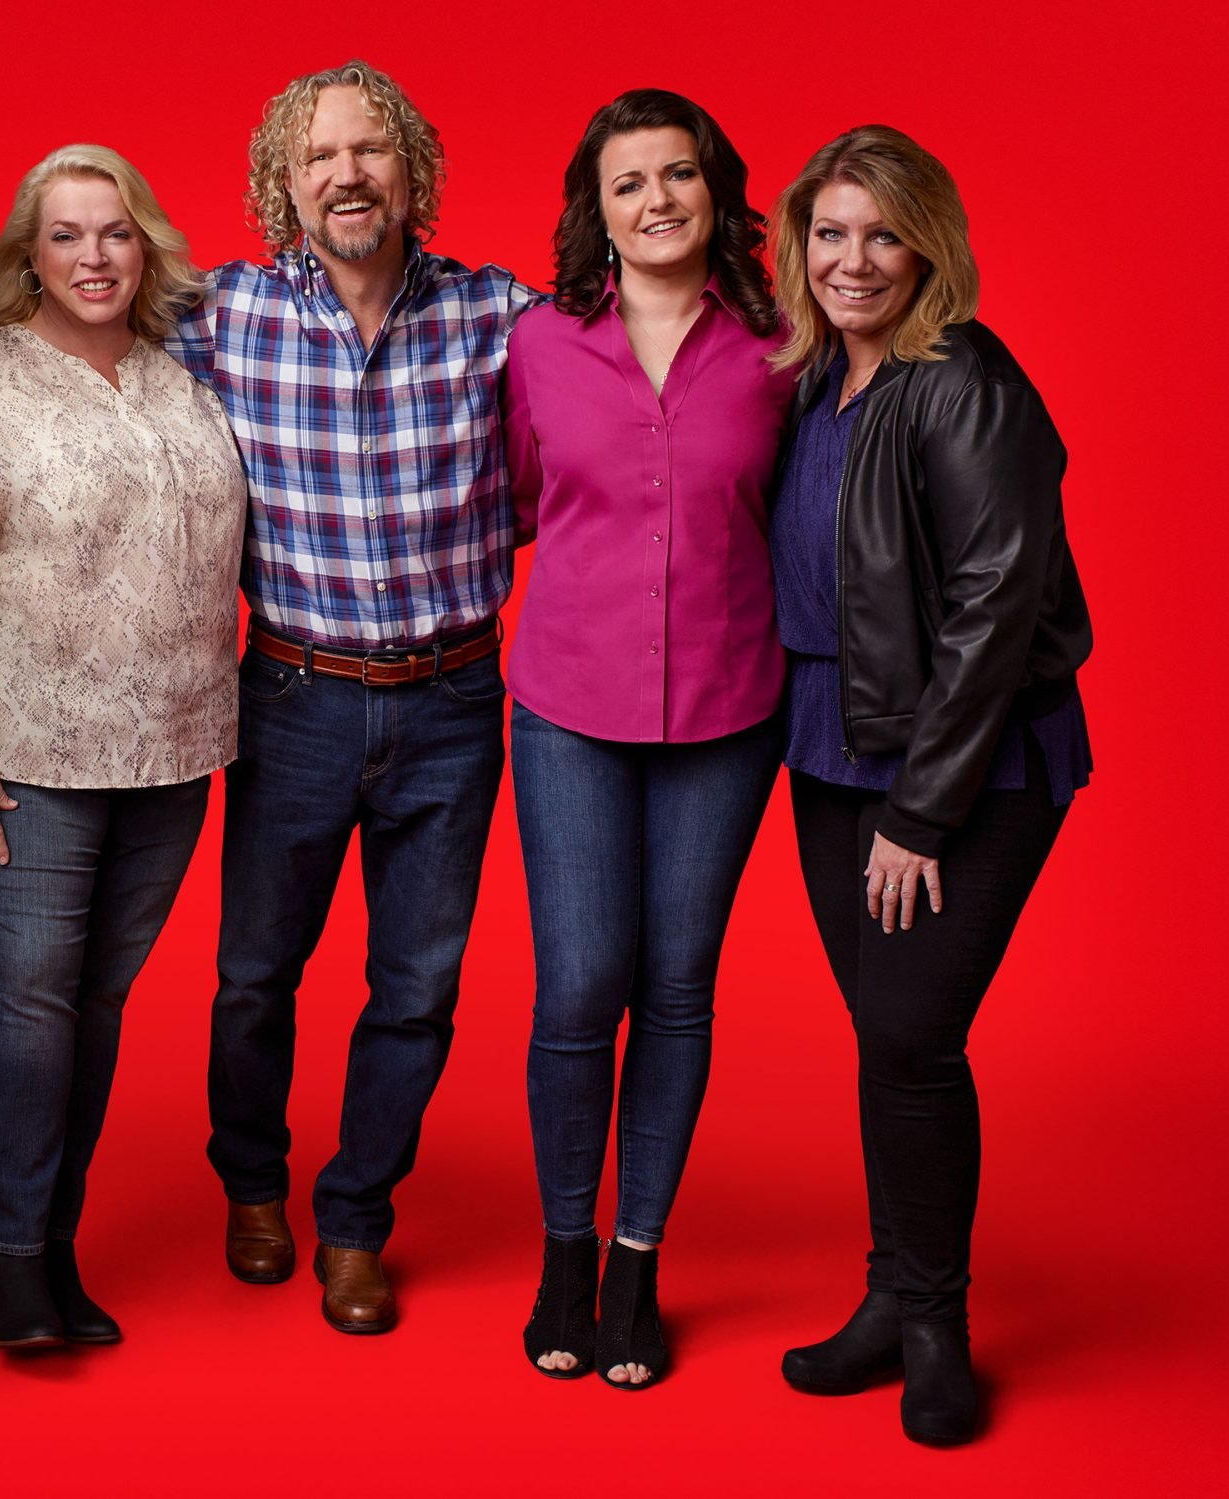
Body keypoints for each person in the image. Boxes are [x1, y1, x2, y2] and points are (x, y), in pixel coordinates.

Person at [166, 61, 541, 1335]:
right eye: (320, 155)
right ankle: (253, 1185)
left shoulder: (497, 314)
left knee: (416, 985)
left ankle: (355, 1219)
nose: (347, 175)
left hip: (450, 700)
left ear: (410, 171)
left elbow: (612, 394)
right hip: (292, 692)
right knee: (254, 972)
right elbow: (64, 335)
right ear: (285, 179)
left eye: (371, 151)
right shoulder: (218, 314)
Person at [765, 125, 1093, 1445]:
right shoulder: (816, 380)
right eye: (831, 232)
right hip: (828, 741)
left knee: (908, 1032)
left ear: (929, 247)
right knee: (888, 1039)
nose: (853, 259)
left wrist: (921, 810)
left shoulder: (961, 374)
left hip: (959, 761)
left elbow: (996, 599)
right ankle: (893, 1294)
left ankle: (937, 1322)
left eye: (881, 233)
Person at [0, 146, 247, 1351]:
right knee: (31, 997)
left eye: (114, 232)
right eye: (65, 235)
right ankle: (10, 1259)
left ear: (142, 245)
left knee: (95, 1001)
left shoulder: (183, 380)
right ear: (28, 257)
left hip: (177, 749)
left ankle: (55, 1237)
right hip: (27, 752)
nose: (93, 256)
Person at [502, 89, 792, 1389]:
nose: (657, 200)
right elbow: (515, 496)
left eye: (679, 175)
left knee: (677, 983)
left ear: (717, 193)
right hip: (567, 705)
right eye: (630, 182)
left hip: (729, 708)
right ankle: (565, 1250)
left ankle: (635, 1258)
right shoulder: (539, 342)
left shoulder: (783, 348)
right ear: (596, 209)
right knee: (580, 984)